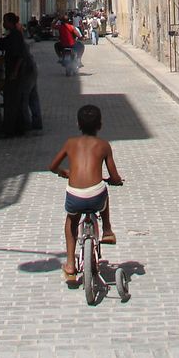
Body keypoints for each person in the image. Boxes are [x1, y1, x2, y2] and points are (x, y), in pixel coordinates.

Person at [49, 104, 124, 283]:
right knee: (104, 195)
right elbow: (114, 175)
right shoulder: (104, 145)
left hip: (75, 195)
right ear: (100, 125)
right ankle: (107, 230)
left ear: (77, 124)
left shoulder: (70, 143)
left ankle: (70, 265)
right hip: (95, 195)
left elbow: (52, 166)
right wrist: (116, 181)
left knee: (71, 221)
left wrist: (64, 172)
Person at [0, 12, 33, 136]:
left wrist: (15, 72)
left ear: (10, 22)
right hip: (15, 72)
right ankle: (17, 127)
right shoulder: (13, 35)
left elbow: (20, 56)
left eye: (5, 21)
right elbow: (2, 43)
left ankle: (12, 129)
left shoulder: (15, 35)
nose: (3, 23)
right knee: (14, 100)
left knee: (13, 101)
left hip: (16, 73)